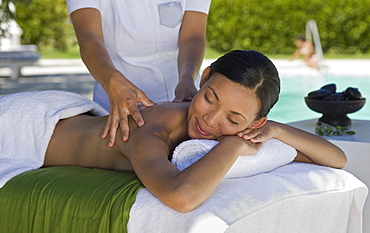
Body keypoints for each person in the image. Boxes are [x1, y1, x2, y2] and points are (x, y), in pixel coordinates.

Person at [1, 50, 347, 213]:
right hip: (25, 126)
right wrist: (234, 145)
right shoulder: (149, 130)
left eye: (233, 119)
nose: (211, 121)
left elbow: (336, 158)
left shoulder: (249, 126)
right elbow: (181, 197)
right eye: (209, 98)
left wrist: (274, 130)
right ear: (204, 76)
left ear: (254, 123)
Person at [66, 0, 211, 147]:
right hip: (115, 96)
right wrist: (111, 80)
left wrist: (187, 79)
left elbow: (193, 37)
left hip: (180, 97)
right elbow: (89, 37)